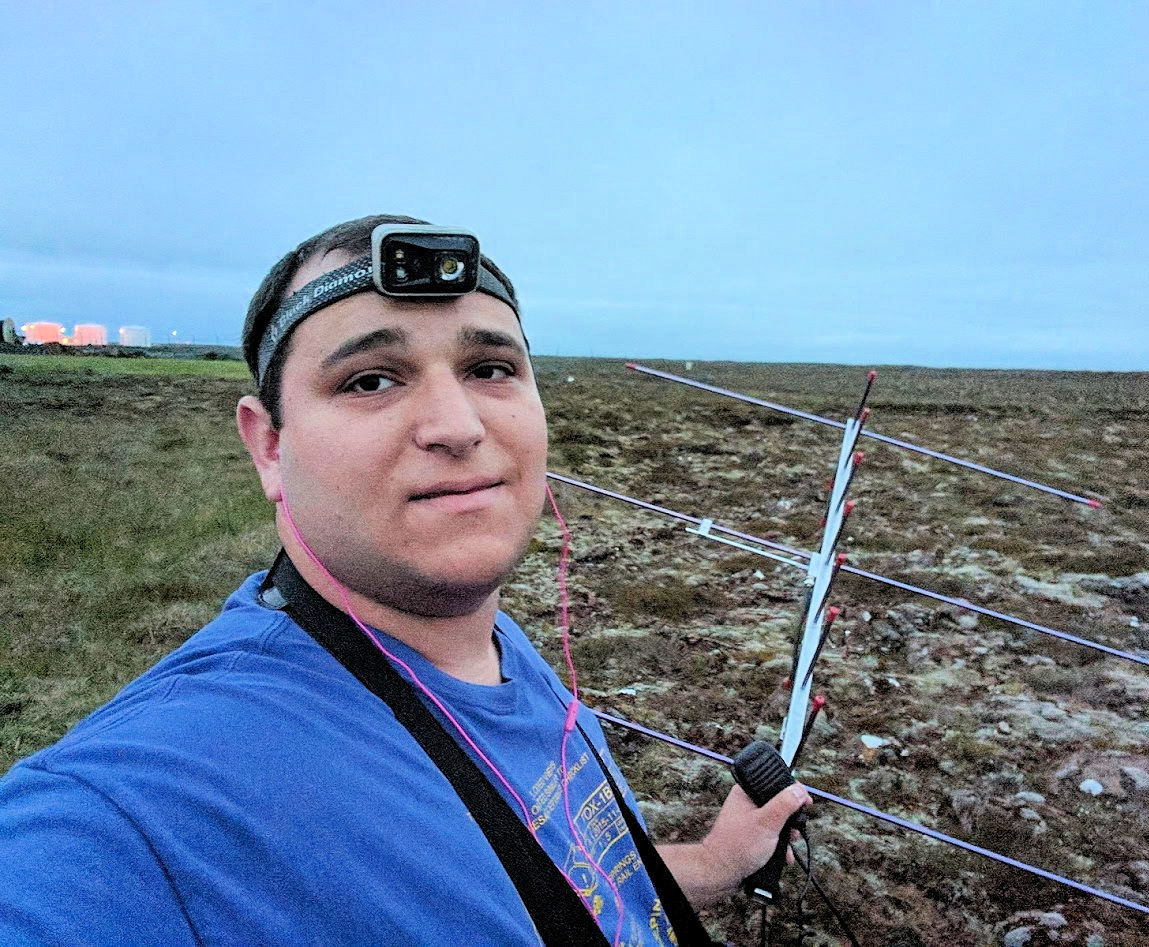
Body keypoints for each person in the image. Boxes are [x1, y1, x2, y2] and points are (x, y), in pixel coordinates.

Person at [0, 214, 809, 945]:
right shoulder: (138, 809)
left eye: (490, 367)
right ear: (269, 446)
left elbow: (548, 882)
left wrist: (716, 860)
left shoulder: (494, 646)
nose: (458, 426)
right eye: (370, 380)